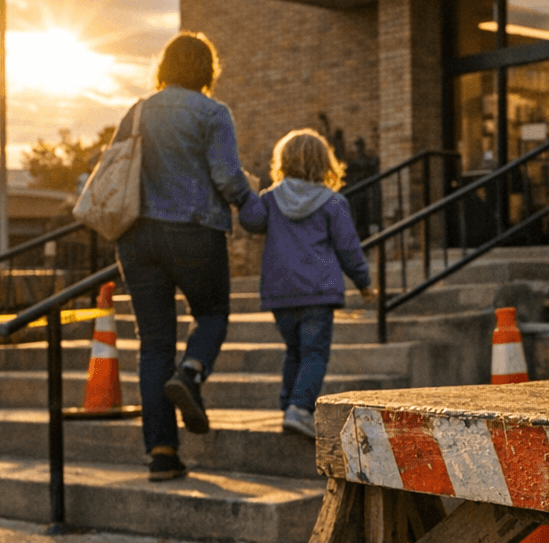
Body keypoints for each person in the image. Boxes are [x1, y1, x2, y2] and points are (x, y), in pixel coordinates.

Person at [116, 32, 255, 482]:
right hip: (195, 232)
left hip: (136, 237)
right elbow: (226, 176)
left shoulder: (137, 111)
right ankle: (192, 373)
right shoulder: (212, 112)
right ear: (207, 70)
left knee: (154, 344)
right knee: (211, 314)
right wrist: (252, 204)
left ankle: (161, 453)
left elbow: (117, 169)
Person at [239, 128, 374, 438]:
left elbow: (251, 223)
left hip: (280, 291)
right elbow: (348, 248)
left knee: (294, 350)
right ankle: (299, 409)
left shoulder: (270, 200)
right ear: (323, 162)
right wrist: (364, 283)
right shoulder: (332, 202)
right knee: (314, 353)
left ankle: (289, 405)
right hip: (317, 291)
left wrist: (244, 194)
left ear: (282, 161)